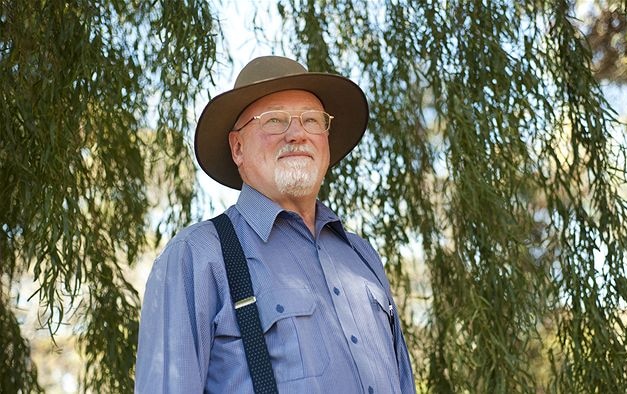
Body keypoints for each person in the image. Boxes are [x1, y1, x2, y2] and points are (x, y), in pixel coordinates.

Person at [135, 56, 416, 393]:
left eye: (312, 120)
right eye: (274, 121)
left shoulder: (361, 255)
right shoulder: (197, 257)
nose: (297, 133)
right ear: (238, 148)